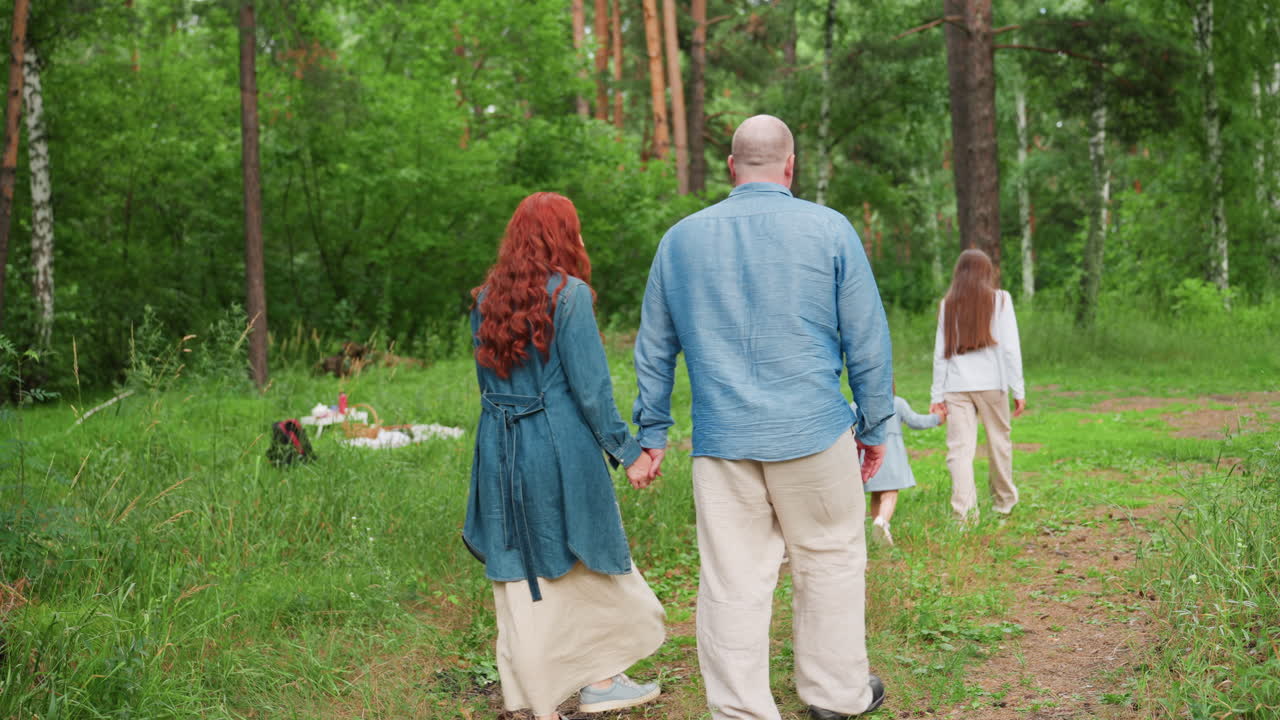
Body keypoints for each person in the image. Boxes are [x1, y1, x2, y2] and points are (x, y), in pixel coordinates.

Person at [633, 115, 894, 720]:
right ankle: (835, 697)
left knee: (732, 580)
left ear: (731, 167)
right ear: (790, 164)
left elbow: (653, 348)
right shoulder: (830, 230)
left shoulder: (680, 240)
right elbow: (868, 340)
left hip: (723, 440)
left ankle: (742, 711)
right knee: (829, 560)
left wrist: (652, 433)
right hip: (814, 431)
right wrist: (876, 427)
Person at [465, 192, 665, 720]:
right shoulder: (569, 295)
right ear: (562, 236)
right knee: (584, 557)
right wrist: (631, 453)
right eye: (575, 228)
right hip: (556, 447)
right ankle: (596, 680)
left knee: (528, 570)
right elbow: (592, 390)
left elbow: (489, 387)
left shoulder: (484, 298)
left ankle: (572, 687)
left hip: (500, 450)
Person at [928, 248, 1026, 524]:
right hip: (992, 385)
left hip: (956, 386)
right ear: (987, 272)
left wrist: (937, 395)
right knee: (999, 443)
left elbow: (940, 353)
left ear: (958, 273)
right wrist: (1018, 389)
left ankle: (965, 513)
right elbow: (1010, 349)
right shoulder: (1001, 300)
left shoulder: (948, 304)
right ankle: (1004, 502)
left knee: (959, 451)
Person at [855, 384, 945, 547]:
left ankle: (878, 531)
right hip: (891, 458)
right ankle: (882, 522)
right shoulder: (896, 403)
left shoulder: (857, 405)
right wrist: (937, 418)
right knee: (889, 493)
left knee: (876, 495)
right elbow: (916, 421)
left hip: (868, 460)